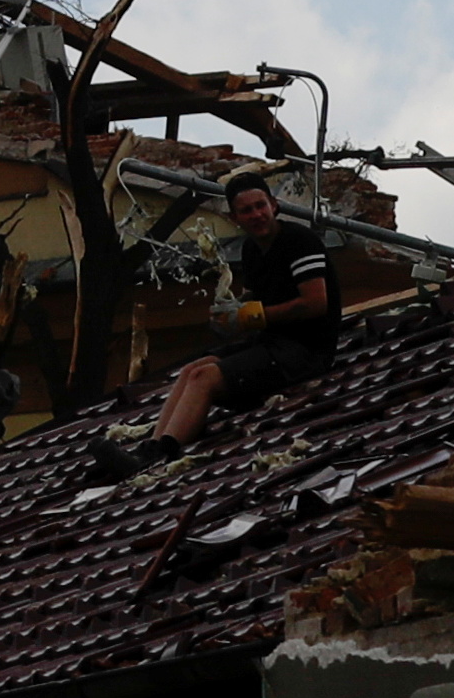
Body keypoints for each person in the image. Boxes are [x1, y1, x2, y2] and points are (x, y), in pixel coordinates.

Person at [91, 174, 337, 482]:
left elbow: (315, 303)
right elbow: (253, 298)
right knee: (191, 371)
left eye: (261, 206)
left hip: (305, 350)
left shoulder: (299, 241)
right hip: (272, 344)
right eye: (246, 210)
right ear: (234, 217)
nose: (256, 215)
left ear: (275, 206)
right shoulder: (251, 250)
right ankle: (148, 447)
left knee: (205, 378)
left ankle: (163, 452)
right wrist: (230, 312)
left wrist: (252, 317)